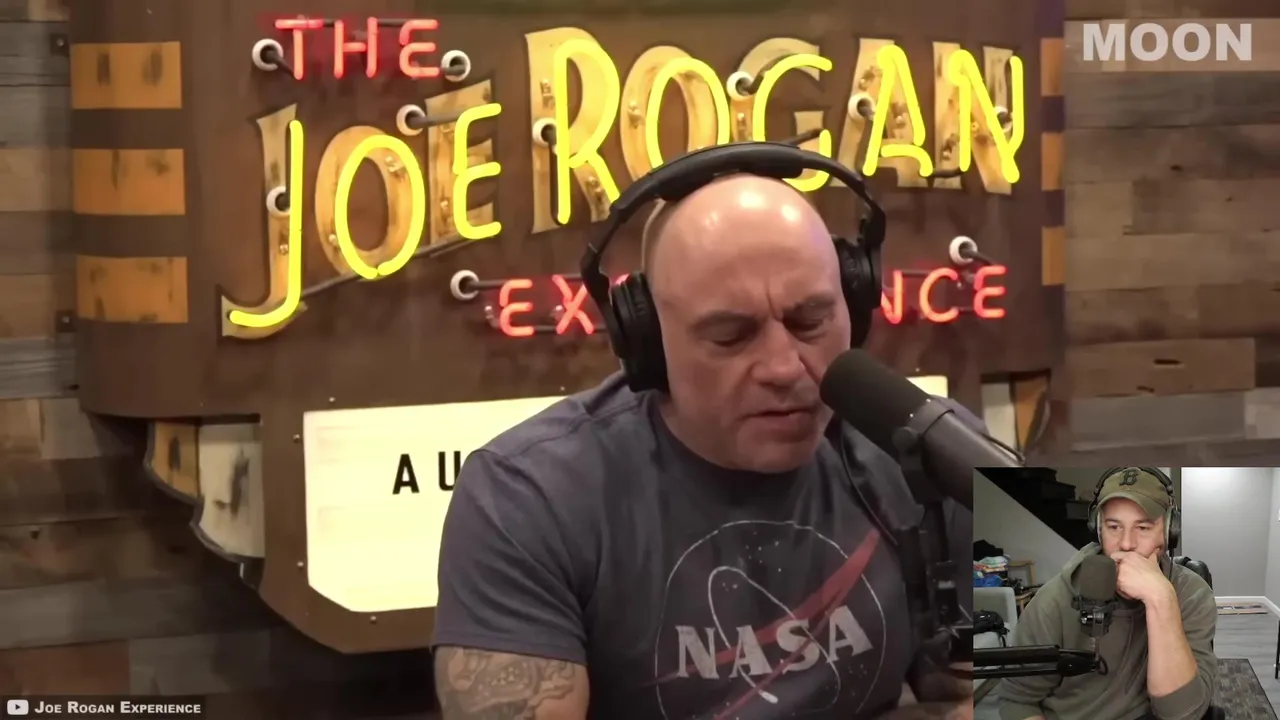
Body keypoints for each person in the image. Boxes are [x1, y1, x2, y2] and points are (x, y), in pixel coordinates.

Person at [430, 172, 977, 719]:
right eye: (731, 336)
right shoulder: (526, 498)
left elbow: (996, 693)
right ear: (649, 342)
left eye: (810, 321)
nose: (785, 368)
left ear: (852, 309)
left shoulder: (934, 453)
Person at [995, 467, 1217, 720]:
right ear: (1098, 530)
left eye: (1143, 527)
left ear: (1169, 533)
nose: (1126, 544)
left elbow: (1182, 713)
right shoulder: (1053, 600)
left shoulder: (1191, 593)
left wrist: (1161, 600)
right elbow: (1018, 702)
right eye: (1114, 527)